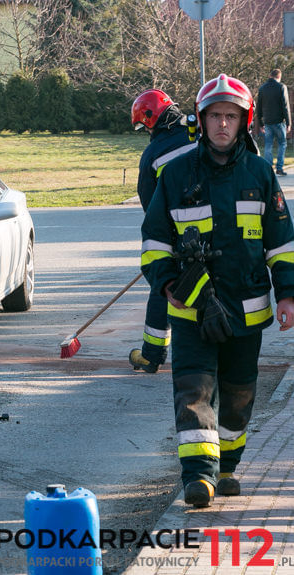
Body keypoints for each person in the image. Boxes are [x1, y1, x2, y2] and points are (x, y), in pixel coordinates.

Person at [141, 74, 294, 508]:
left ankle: (227, 467)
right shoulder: (175, 175)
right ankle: (199, 477)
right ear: (202, 121)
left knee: (239, 396)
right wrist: (168, 283)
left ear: (245, 121)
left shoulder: (261, 175)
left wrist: (288, 294)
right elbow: (154, 240)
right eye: (214, 116)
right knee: (193, 393)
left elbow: (282, 243)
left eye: (230, 116)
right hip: (191, 311)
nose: (222, 125)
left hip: (246, 314)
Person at [128, 89, 197, 373]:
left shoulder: (153, 154)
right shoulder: (198, 134)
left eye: (144, 124)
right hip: (218, 225)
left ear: (149, 117)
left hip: (176, 232)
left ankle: (152, 355)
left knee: (163, 284)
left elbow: (150, 204)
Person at [256, 68, 291, 176]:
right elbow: (285, 106)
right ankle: (279, 168)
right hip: (280, 122)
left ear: (270, 76)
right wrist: (289, 123)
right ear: (279, 77)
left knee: (268, 145)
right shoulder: (281, 87)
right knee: (282, 144)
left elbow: (259, 108)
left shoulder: (262, 88)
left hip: (267, 122)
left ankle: (268, 169)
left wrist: (261, 124)